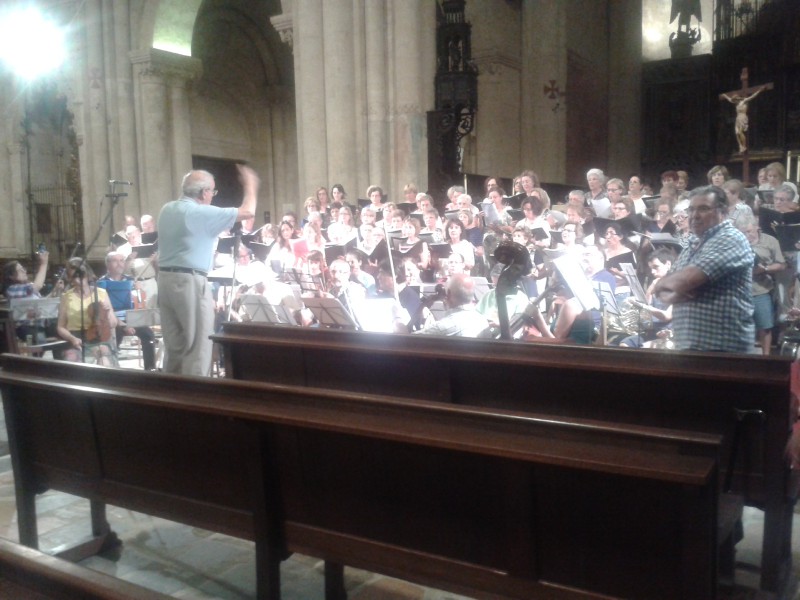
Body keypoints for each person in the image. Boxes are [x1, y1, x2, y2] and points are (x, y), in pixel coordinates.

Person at [157, 165, 259, 376]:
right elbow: (248, 211)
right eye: (213, 191)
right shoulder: (199, 212)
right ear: (204, 193)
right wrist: (251, 184)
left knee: (175, 348)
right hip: (189, 281)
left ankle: (171, 393)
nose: (213, 196)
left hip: (165, 280)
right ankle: (195, 394)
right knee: (198, 347)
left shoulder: (167, 209)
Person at [654, 186, 754, 353]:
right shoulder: (692, 244)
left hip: (723, 349)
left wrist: (672, 286)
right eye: (691, 209)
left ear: (722, 211)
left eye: (703, 209)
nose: (694, 215)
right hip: (689, 346)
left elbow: (683, 281)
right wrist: (670, 286)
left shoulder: (731, 239)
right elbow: (666, 289)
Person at [97, 251, 157, 370]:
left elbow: (139, 304)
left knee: (148, 334)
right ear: (108, 264)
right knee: (116, 335)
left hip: (131, 318)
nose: (119, 264)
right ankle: (114, 369)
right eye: (115, 261)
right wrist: (123, 325)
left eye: (121, 261)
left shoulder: (131, 280)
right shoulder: (102, 282)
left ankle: (150, 369)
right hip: (113, 320)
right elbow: (103, 308)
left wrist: (139, 291)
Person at [736, 214, 784, 355]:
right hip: (739, 292)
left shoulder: (770, 241)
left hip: (761, 290)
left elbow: (781, 264)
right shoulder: (736, 241)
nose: (747, 235)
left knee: (765, 326)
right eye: (743, 232)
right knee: (740, 326)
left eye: (749, 231)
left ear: (757, 227)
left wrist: (765, 269)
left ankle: (766, 357)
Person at [56, 262, 118, 366]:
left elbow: (113, 323)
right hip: (75, 337)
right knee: (73, 361)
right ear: (70, 279)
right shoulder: (66, 297)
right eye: (74, 277)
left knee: (104, 361)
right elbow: (60, 327)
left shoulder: (101, 293)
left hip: (98, 336)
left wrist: (107, 312)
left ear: (87, 274)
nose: (78, 280)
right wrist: (72, 339)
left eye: (81, 275)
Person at [416, 274, 490, 337]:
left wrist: (421, 307)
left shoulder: (445, 326)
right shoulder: (483, 321)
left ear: (448, 293)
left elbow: (412, 339)